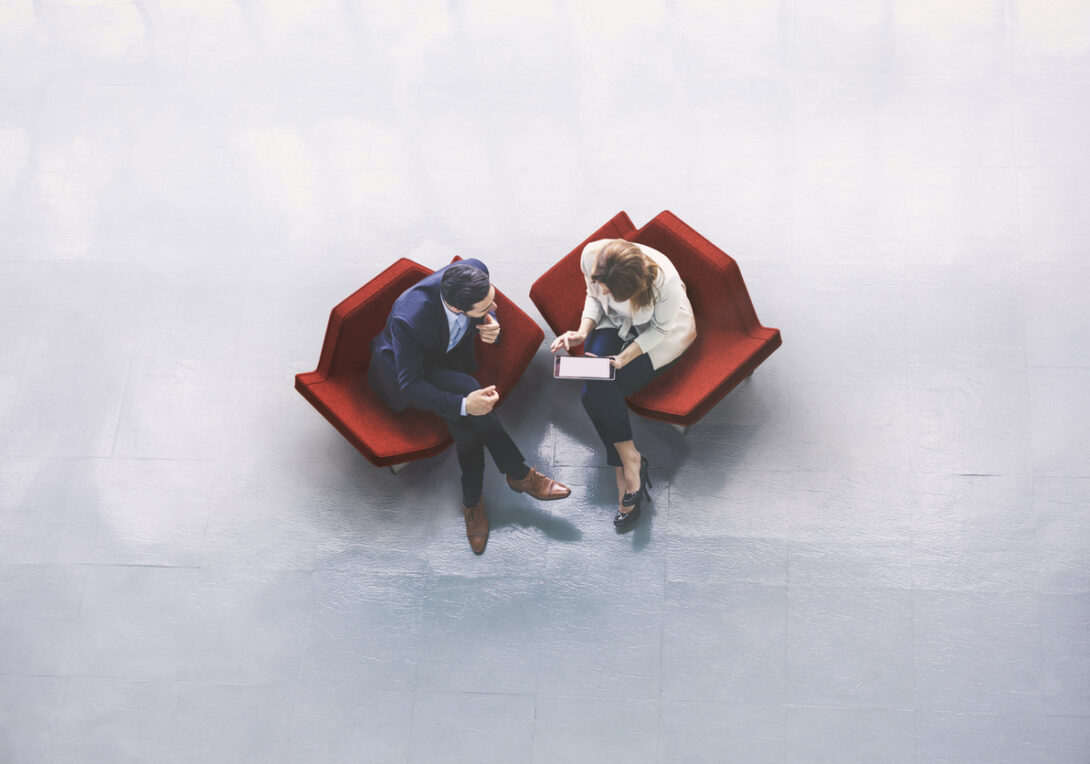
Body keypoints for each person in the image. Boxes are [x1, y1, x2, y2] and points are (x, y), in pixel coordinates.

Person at [369, 259, 570, 554]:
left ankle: (475, 501)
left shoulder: (475, 270)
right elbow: (409, 385)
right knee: (469, 398)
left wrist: (491, 327)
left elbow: (488, 315)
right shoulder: (409, 320)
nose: (495, 307)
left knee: (466, 432)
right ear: (457, 309)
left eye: (492, 297)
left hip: (448, 357)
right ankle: (515, 476)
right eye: (485, 308)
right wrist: (464, 405)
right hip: (414, 371)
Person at [550, 239, 696, 527]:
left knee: (594, 394)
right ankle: (630, 459)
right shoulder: (592, 255)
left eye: (609, 289)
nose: (603, 290)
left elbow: (660, 330)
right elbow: (593, 296)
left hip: (658, 336)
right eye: (602, 284)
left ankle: (623, 464)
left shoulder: (664, 283)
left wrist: (625, 357)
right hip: (613, 322)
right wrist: (582, 332)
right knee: (597, 383)